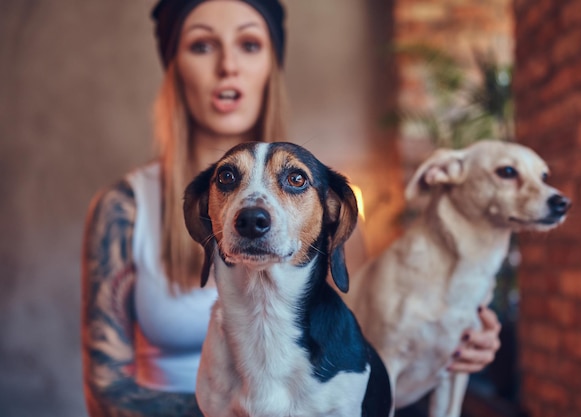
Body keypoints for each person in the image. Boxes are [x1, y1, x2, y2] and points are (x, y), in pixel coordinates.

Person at [80, 1, 500, 416]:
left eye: (249, 44)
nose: (228, 65)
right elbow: (105, 393)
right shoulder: (122, 209)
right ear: (173, 66)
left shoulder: (321, 202)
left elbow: (370, 361)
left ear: (270, 65)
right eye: (202, 46)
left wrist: (452, 338)